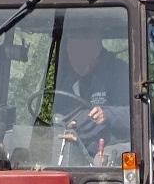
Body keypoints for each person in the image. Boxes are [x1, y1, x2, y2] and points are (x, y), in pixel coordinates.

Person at [55, 25, 130, 158]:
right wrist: (65, 123)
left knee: (103, 160)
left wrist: (107, 115)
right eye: (71, 53)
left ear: (96, 50)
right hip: (78, 148)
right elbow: (59, 115)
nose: (74, 59)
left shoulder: (120, 74)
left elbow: (138, 116)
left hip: (114, 148)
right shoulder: (69, 82)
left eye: (80, 52)